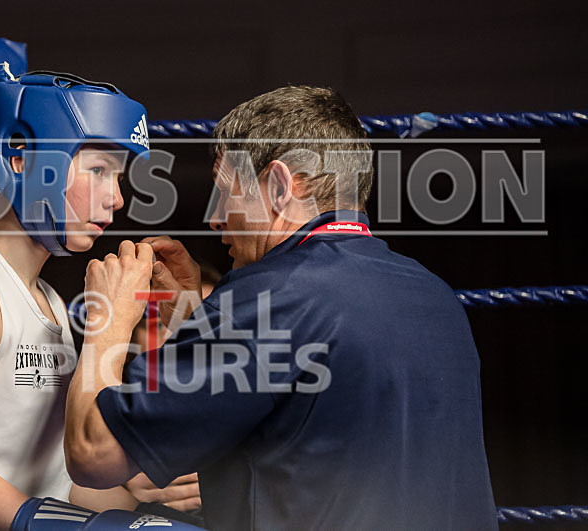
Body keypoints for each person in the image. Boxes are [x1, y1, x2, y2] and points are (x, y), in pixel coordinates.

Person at [64, 86, 498, 530]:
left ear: (278, 186)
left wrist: (108, 318)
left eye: (224, 193)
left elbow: (94, 453)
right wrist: (197, 319)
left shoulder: (269, 297)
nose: (215, 220)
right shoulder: (434, 295)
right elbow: (306, 421)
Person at [0, 68, 199, 530]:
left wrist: (138, 480)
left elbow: (62, 489)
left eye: (117, 178)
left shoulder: (51, 303)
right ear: (20, 157)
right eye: (98, 171)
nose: (116, 198)